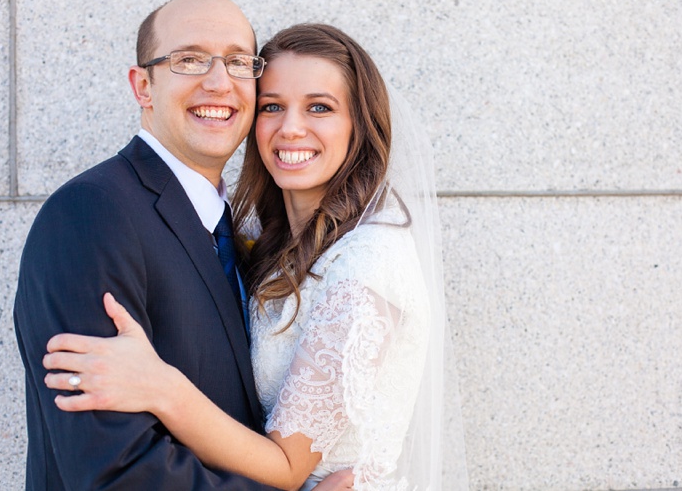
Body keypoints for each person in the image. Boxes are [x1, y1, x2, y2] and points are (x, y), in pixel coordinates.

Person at [43, 24, 467, 489]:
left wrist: (160, 386)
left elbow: (286, 468)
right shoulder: (262, 240)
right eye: (273, 107)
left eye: (319, 107)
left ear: (359, 126)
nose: (291, 128)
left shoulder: (370, 261)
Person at [14, 0, 351, 490]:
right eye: (189, 59)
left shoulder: (238, 233)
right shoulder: (90, 214)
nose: (219, 83)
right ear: (143, 85)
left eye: (238, 62)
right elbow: (114, 471)